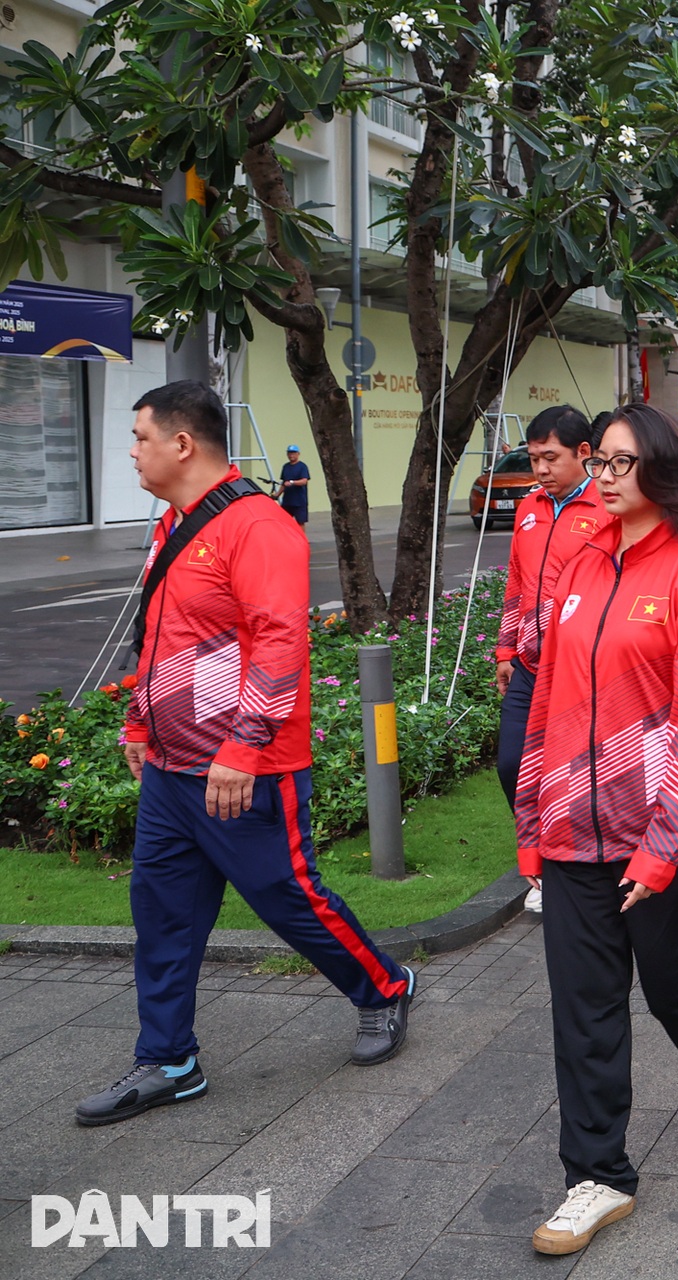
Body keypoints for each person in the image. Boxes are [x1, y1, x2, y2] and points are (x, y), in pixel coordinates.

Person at [77, 381, 415, 1128]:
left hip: (243, 768)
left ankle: (384, 989)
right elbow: (160, 635)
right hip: (172, 772)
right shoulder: (175, 523)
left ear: (182, 444)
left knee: (289, 900)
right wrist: (140, 721)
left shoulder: (258, 527)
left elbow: (280, 642)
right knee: (161, 915)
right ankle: (168, 1060)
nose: (131, 451)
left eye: (139, 437)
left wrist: (242, 746)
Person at [516, 403, 678, 1257]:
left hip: (669, 838)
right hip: (574, 835)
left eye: (621, 464)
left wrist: (662, 847)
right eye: (602, 464)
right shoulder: (581, 562)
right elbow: (547, 698)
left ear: (661, 471)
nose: (604, 477)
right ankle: (598, 1176)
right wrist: (532, 818)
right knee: (584, 1011)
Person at [494, 406, 607, 915]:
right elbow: (517, 581)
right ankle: (541, 864)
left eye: (550, 458)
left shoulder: (606, 507)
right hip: (530, 664)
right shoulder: (530, 507)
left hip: (581, 669)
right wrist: (505, 648)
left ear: (584, 453)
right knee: (513, 763)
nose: (540, 469)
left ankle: (563, 866)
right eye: (534, 458)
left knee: (573, 771)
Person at [277, 445, 310, 528]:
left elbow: (304, 481)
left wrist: (292, 482)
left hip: (299, 501)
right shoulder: (285, 467)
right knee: (284, 522)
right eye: (289, 453)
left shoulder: (302, 466)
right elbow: (284, 483)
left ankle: (302, 540)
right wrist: (277, 494)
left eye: (293, 453)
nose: (291, 455)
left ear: (298, 454)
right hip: (287, 501)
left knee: (300, 522)